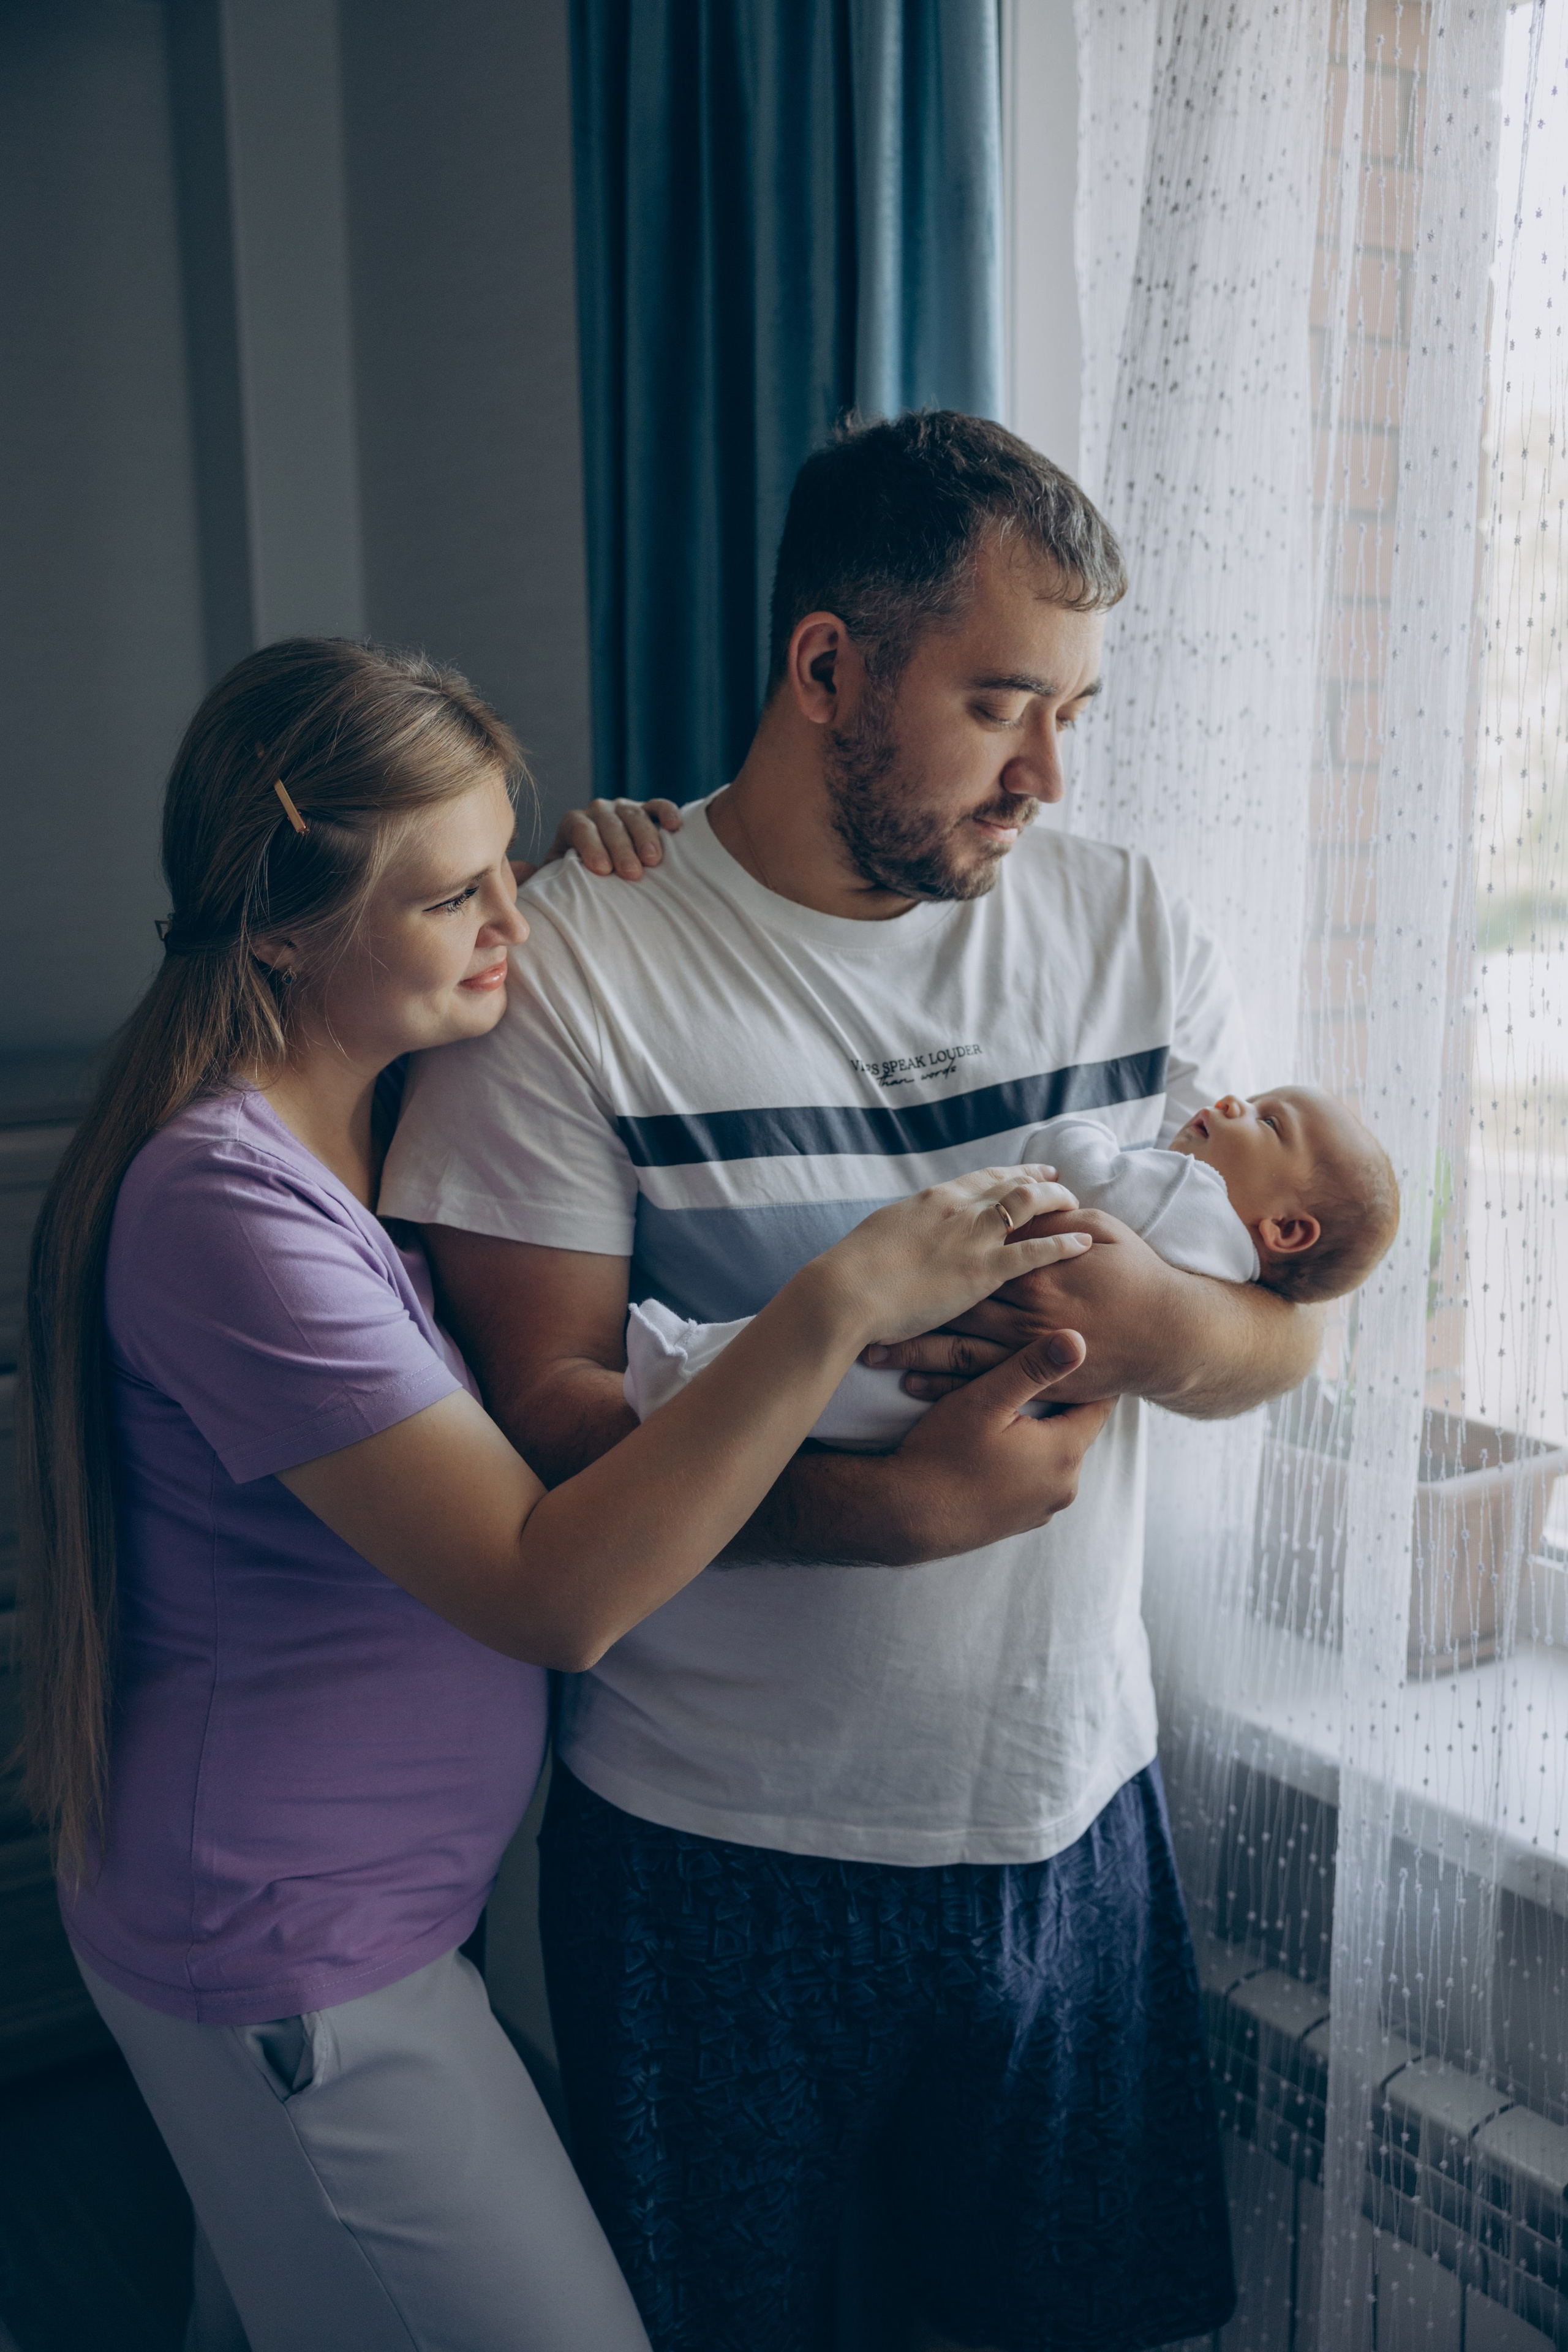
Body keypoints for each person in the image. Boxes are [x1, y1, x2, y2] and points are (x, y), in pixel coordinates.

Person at [17, 635, 1106, 2352]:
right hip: (291, 1957)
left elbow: (510, 936)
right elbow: (552, 1588)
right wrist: (842, 1300)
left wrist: (578, 867)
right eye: (460, 898)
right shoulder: (220, 1210)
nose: (512, 928)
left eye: (505, 870)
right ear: (287, 928)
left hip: (344, 1924)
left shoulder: (349, 1134)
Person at [381, 411, 1325, 2352]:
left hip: (1070, 1809)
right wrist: (877, 1511)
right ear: (828, 669)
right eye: (999, 704)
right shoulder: (576, 967)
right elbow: (544, 1424)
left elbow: (1276, 1329)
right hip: (717, 1850)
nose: (1048, 773)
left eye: (1070, 708)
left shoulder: (1133, 923)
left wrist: (1154, 1321)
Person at [624, 1084, 1401, 1452]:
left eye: (1267, 1120)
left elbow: (1077, 1169)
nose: (1231, 1099)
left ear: (1289, 1230)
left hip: (944, 1328)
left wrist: (1080, 1130)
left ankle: (682, 1374)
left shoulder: (1187, 1193)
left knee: (809, 1367)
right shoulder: (1226, 1257)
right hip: (991, 1400)